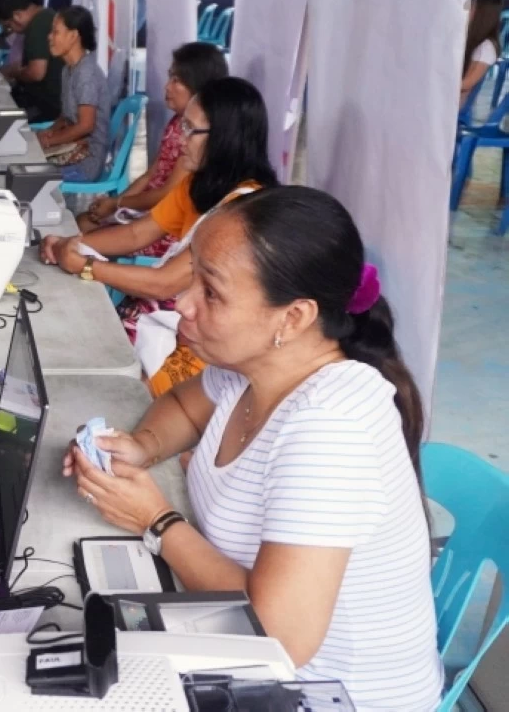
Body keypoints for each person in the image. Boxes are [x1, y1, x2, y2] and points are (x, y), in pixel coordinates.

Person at [66, 185, 443, 711]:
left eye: (212, 292)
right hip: (246, 652)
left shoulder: (330, 426)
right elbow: (185, 405)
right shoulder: (249, 369)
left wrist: (156, 521)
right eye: (192, 273)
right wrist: (141, 446)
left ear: (292, 318)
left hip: (323, 691)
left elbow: (279, 634)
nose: (183, 302)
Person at [41, 77, 277, 394]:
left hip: (200, 345)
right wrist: (72, 244)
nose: (180, 142)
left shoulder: (244, 210)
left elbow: (167, 282)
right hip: (168, 318)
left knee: (101, 379)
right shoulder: (200, 184)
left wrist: (86, 266)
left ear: (225, 137)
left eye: (191, 130)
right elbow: (138, 233)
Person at [77, 42, 228, 237]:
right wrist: (115, 204)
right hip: (147, 212)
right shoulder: (176, 123)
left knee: (83, 229)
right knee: (82, 222)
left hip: (164, 229)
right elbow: (151, 175)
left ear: (198, 85)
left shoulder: (196, 137)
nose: (167, 86)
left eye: (176, 80)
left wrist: (117, 204)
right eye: (170, 77)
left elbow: (167, 194)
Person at [36, 6, 115, 184]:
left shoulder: (86, 74)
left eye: (55, 32)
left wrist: (50, 142)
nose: (50, 37)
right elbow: (67, 117)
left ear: (73, 36)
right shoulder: (68, 70)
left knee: (27, 173)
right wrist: (49, 132)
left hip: (87, 161)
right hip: (74, 148)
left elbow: (86, 126)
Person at [0, 0, 64, 122]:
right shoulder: (48, 15)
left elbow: (36, 73)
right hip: (53, 103)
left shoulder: (37, 25)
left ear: (17, 15)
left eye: (9, 26)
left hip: (46, 108)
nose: (12, 31)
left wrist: (14, 72)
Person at [461, 0, 502, 105]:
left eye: (472, 7)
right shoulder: (474, 41)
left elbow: (468, 83)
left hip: (458, 104)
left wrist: (440, 86)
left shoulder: (486, 47)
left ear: (481, 13)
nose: (467, 11)